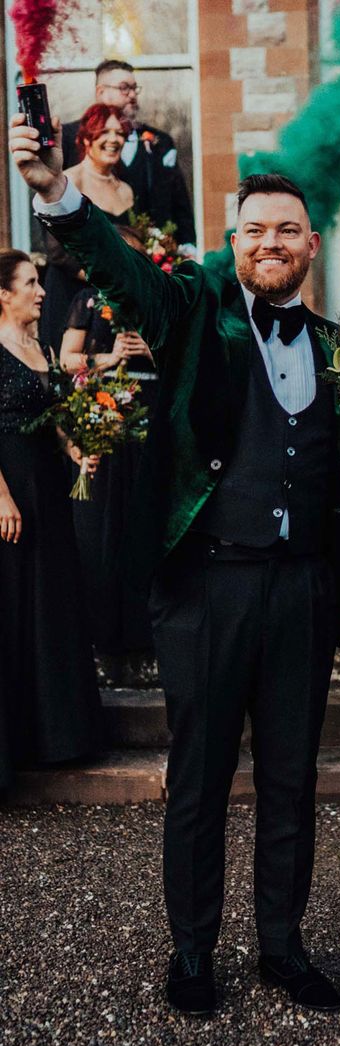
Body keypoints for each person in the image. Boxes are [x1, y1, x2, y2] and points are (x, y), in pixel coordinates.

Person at [10, 111, 340, 1016]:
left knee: (294, 779)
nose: (271, 241)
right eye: (255, 228)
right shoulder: (190, 316)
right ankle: (192, 955)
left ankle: (285, 951)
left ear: (310, 243)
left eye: (287, 228)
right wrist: (59, 196)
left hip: (302, 591)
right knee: (201, 780)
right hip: (204, 587)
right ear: (234, 241)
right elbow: (126, 275)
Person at [0, 249, 101, 791]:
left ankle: (58, 736)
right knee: (17, 607)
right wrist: (1, 498)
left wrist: (76, 453)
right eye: (32, 283)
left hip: (50, 493)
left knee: (51, 602)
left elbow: (55, 420)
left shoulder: (38, 346)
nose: (42, 292)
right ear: (4, 294)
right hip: (11, 493)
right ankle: (16, 741)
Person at [60, 225, 158, 656]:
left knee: (146, 532)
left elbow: (191, 356)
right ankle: (104, 640)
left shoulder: (159, 302)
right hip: (102, 428)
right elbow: (67, 362)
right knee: (100, 534)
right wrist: (111, 358)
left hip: (151, 430)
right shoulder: (87, 301)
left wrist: (152, 350)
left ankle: (147, 639)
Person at [62, 59, 197, 253]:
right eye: (124, 88)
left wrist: (187, 247)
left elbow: (179, 200)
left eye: (135, 89)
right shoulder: (69, 137)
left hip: (153, 256)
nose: (132, 95)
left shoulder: (161, 142)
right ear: (101, 92)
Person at [40, 103, 133, 356]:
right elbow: (57, 250)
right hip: (70, 291)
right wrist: (104, 278)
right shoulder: (68, 182)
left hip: (113, 300)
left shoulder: (127, 190)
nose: (114, 139)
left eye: (120, 133)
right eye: (104, 132)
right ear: (85, 139)